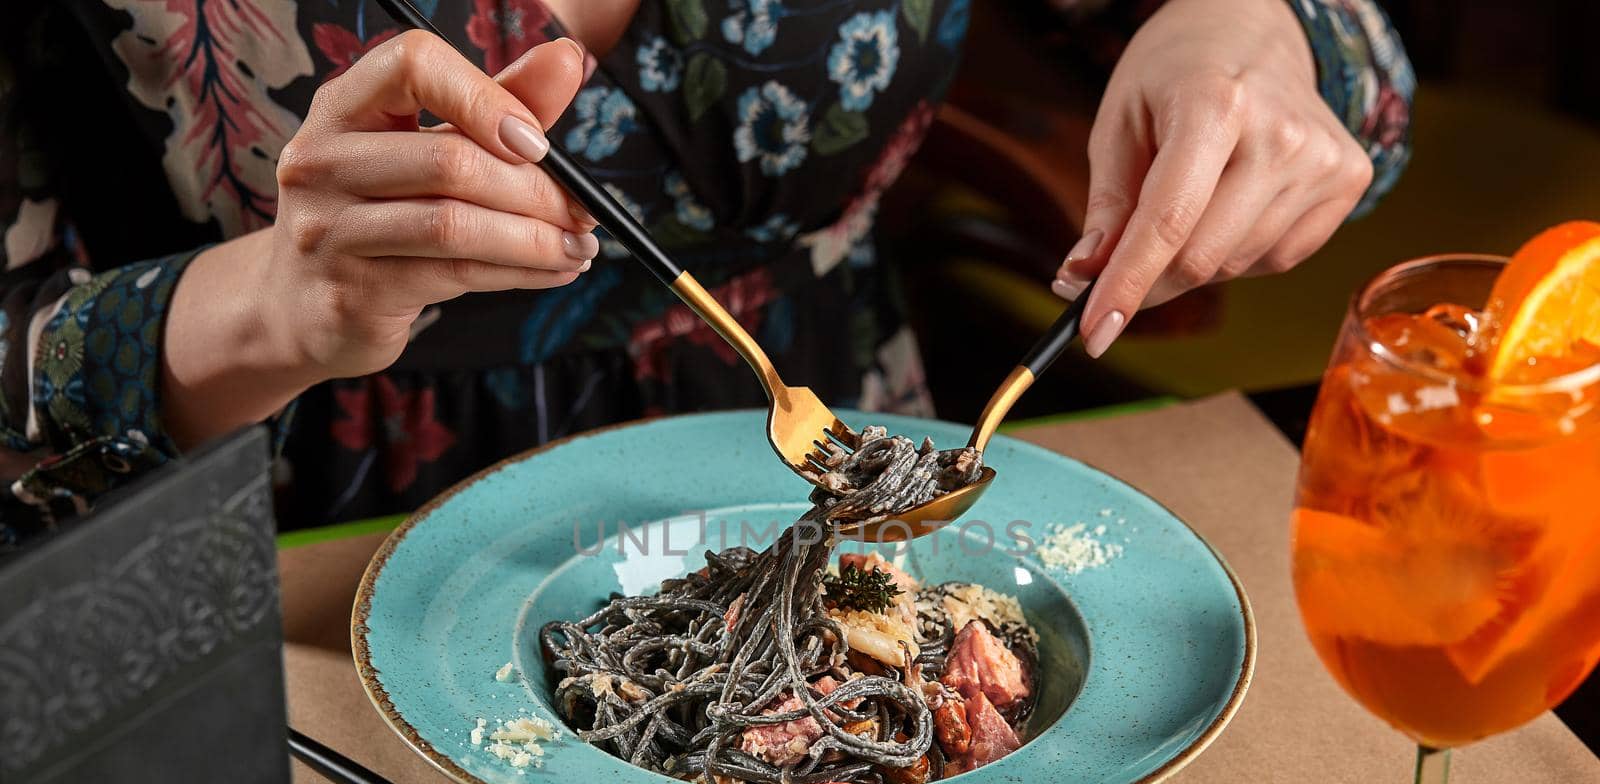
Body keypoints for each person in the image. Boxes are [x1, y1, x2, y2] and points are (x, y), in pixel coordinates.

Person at [0, 0, 1411, 546]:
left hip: (858, 483)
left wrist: (1259, 37)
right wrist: (269, 306)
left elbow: (1351, 52)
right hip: (279, 559)